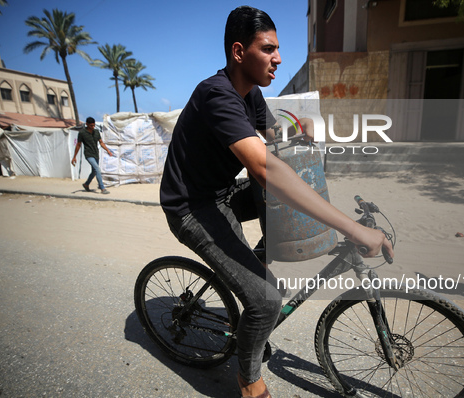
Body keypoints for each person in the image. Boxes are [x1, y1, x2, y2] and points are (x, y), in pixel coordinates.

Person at [159, 6, 394, 398]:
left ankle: (255, 267)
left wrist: (304, 137)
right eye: (268, 49)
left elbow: (275, 136)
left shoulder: (251, 94)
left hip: (222, 195)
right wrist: (352, 228)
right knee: (267, 300)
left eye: (278, 49)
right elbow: (266, 168)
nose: (279, 58)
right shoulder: (216, 94)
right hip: (191, 208)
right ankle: (248, 380)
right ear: (239, 52)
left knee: (292, 191)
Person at [71, 117, 113, 194]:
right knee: (97, 169)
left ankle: (86, 184)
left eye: (93, 125)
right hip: (88, 154)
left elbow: (101, 142)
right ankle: (102, 188)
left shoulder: (96, 132)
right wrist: (74, 157)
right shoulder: (82, 133)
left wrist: (107, 150)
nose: (92, 127)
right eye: (91, 125)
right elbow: (78, 145)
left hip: (96, 154)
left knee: (94, 171)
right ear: (87, 124)